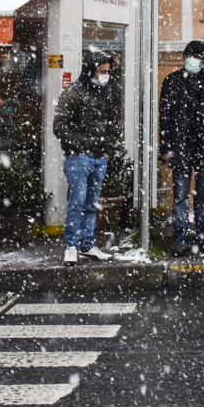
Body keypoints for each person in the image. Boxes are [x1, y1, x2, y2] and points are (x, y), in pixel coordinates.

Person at [160, 40, 204, 256]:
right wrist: (167, 147)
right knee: (181, 197)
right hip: (182, 147)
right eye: (193, 56)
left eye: (200, 58)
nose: (196, 61)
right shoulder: (172, 81)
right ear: (185, 57)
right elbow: (165, 118)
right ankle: (181, 240)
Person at [53, 49, 121, 265]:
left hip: (99, 156)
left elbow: (113, 122)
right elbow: (60, 126)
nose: (106, 75)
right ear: (91, 70)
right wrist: (81, 147)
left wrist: (107, 149)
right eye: (102, 71)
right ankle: (72, 245)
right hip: (79, 157)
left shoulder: (108, 91)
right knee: (77, 203)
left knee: (90, 204)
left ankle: (86, 244)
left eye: (108, 71)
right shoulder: (73, 93)